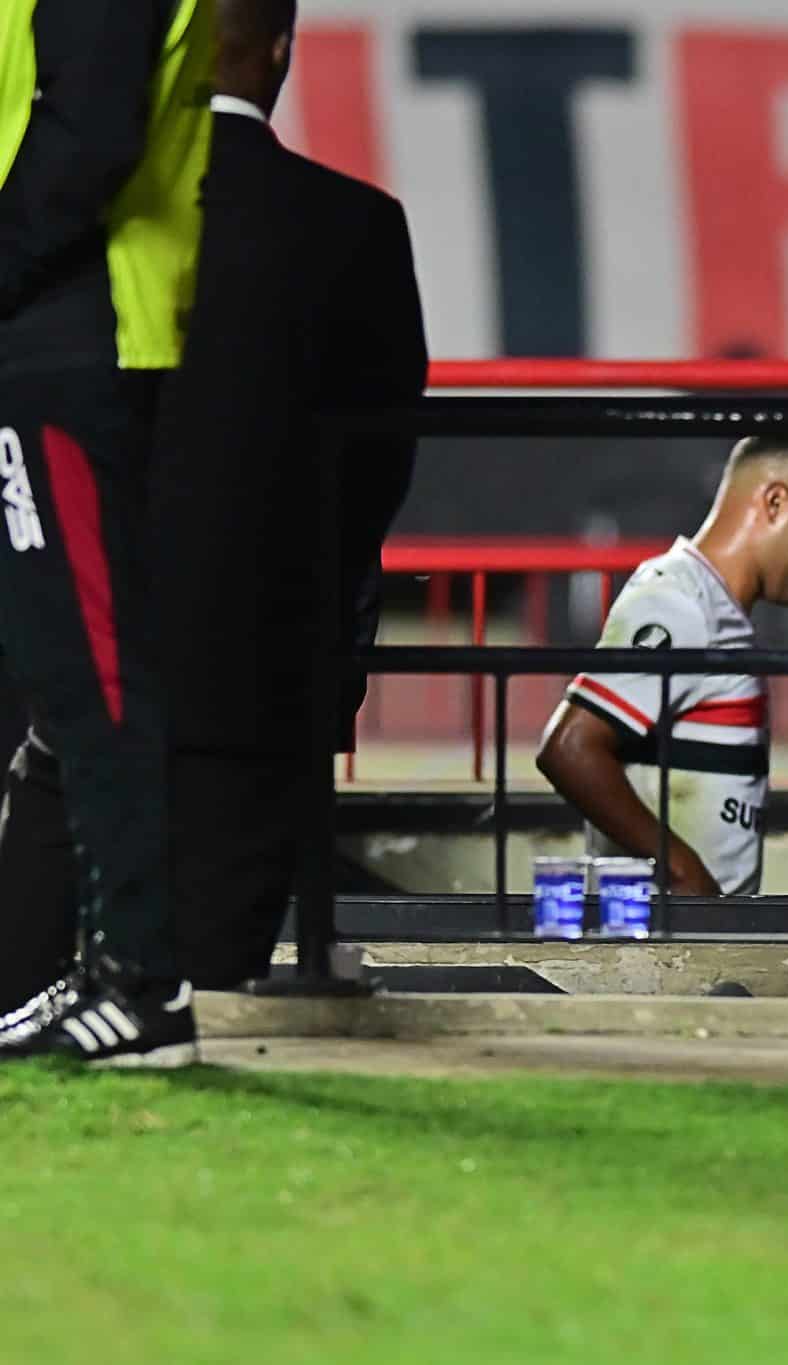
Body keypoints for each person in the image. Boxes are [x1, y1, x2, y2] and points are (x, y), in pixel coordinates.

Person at [150, 0, 427, 989]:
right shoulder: (355, 226)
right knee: (218, 960)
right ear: (280, 50)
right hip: (269, 660)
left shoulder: (99, 215)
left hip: (85, 652)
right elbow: (383, 453)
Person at [0, 0, 215, 1065]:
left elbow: (86, 136)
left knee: (94, 670)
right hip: (49, 327)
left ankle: (140, 983)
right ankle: (100, 973)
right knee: (63, 667)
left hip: (75, 329)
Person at [538, 436, 788, 895]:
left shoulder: (706, 605)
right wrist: (685, 873)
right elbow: (569, 748)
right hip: (666, 946)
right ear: (774, 502)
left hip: (691, 942)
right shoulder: (681, 603)